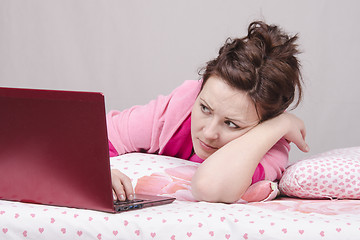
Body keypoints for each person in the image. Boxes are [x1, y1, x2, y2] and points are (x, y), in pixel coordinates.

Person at [107, 21, 309, 203]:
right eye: (205, 108)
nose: (209, 132)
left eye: (231, 124)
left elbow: (208, 188)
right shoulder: (182, 105)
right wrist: (99, 173)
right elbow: (93, 135)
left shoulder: (269, 146)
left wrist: (279, 124)